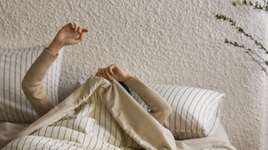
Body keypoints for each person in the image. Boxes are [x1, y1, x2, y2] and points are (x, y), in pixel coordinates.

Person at [22, 23, 172, 124]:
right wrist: (58, 43)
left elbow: (163, 110)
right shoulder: (63, 117)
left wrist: (127, 78)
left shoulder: (130, 130)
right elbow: (31, 86)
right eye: (96, 87)